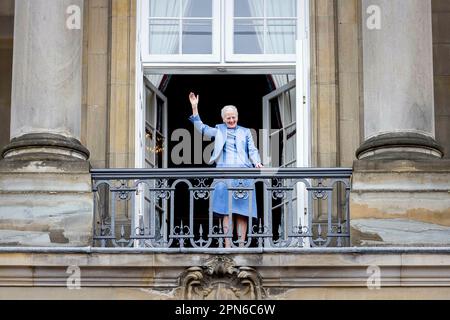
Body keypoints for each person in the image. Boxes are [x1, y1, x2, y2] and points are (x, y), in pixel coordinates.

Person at [188, 92, 263, 248]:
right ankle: (228, 246)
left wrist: (257, 162)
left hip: (243, 173)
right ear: (223, 119)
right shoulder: (219, 130)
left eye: (233, 117)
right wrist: (195, 108)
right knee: (226, 211)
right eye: (228, 117)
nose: (231, 120)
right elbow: (202, 129)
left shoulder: (245, 131)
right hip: (224, 173)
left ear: (237, 116)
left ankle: (241, 245)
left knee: (243, 212)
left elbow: (252, 149)